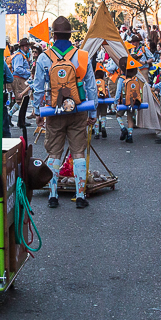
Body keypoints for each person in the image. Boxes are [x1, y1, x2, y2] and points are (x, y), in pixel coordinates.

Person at [33, 16, 97, 209]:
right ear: (70, 35)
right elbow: (91, 86)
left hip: (54, 110)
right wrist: (92, 113)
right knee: (78, 152)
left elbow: (38, 87)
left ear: (53, 35)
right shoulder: (83, 55)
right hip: (78, 109)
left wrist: (38, 112)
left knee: (54, 153)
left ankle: (53, 196)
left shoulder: (44, 57)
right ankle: (80, 196)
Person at [9, 38, 32, 128]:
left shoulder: (21, 55)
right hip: (19, 79)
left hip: (20, 79)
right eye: (27, 46)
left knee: (23, 100)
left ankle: (21, 120)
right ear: (22, 47)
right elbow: (18, 69)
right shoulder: (19, 56)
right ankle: (10, 115)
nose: (28, 48)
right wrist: (28, 72)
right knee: (21, 100)